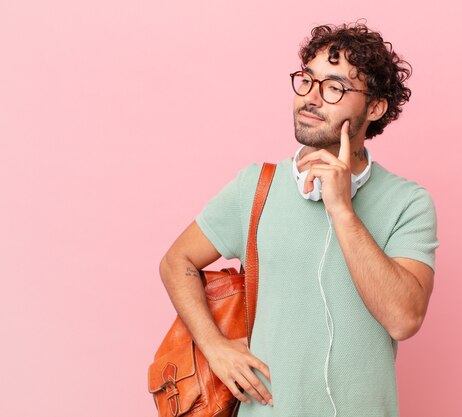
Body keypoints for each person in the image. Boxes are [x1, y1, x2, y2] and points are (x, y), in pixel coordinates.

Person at [159, 22, 440, 417]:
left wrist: (342, 209)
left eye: (335, 88)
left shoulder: (409, 203)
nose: (311, 98)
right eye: (306, 81)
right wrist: (215, 347)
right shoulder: (255, 187)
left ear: (374, 107)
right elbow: (176, 262)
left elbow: (404, 320)